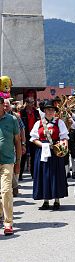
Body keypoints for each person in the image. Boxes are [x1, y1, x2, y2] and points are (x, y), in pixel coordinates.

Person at [30, 100, 69, 210]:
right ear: (44, 111)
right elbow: (33, 138)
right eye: (48, 110)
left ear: (55, 111)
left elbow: (64, 137)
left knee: (56, 174)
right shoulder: (39, 123)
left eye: (52, 110)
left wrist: (63, 146)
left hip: (56, 151)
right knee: (44, 174)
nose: (50, 112)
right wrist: (43, 146)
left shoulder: (59, 122)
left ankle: (57, 200)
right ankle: (45, 200)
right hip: (42, 151)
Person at [0, 97, 22, 235]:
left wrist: (18, 160)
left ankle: (8, 223)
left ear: (3, 105)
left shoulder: (12, 120)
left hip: (7, 161)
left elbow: (17, 141)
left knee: (6, 190)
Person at [19, 97, 41, 180]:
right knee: (23, 156)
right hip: (25, 135)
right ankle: (20, 174)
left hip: (34, 136)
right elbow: (20, 125)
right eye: (31, 102)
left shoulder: (36, 112)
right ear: (27, 103)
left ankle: (34, 174)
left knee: (34, 156)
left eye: (33, 102)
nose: (33, 104)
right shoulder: (22, 112)